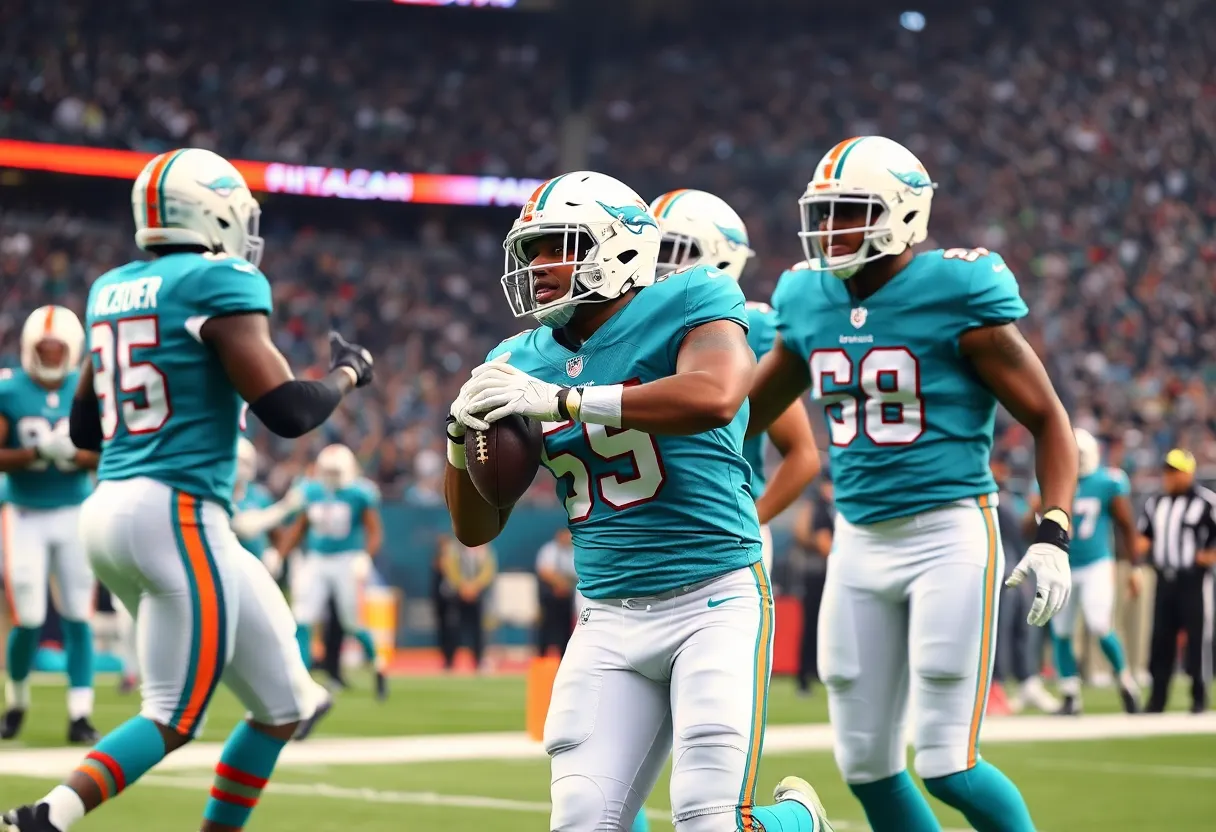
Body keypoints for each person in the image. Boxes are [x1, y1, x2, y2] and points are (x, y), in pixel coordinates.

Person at [0, 147, 374, 832]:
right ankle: (46, 818)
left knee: (283, 708)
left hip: (112, 506)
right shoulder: (218, 280)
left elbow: (86, 426)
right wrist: (349, 375)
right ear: (212, 212)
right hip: (176, 511)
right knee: (173, 715)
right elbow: (289, 411)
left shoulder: (111, 288)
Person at [446, 171, 833, 832]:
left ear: (618, 247)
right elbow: (477, 528)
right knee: (580, 821)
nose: (537, 266)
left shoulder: (691, 297)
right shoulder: (516, 358)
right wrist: (461, 439)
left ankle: (798, 821)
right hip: (607, 615)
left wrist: (567, 402)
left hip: (713, 597)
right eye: (530, 251)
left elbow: (716, 396)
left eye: (556, 246)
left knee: (708, 819)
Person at [747, 136, 1076, 832]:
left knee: (947, 762)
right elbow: (747, 413)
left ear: (901, 213)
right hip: (860, 541)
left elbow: (1048, 418)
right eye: (825, 212)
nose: (830, 230)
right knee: (865, 764)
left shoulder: (956, 290)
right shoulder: (806, 297)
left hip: (949, 532)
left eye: (850, 212)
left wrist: (1054, 531)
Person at [650, 189, 820, 573]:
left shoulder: (751, 328)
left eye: (671, 248)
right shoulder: (622, 325)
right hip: (631, 532)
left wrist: (752, 522)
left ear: (719, 257)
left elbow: (803, 454)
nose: (654, 263)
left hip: (722, 534)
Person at [0, 308, 100, 745]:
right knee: (30, 616)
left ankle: (80, 713)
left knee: (79, 614)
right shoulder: (10, 390)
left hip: (75, 511)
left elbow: (106, 452)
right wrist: (38, 455)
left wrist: (74, 456)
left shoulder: (89, 386)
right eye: (45, 350)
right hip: (24, 512)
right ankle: (17, 700)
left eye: (58, 349)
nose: (52, 356)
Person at [1024, 429, 1140, 714]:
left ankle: (1125, 680)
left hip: (1096, 564)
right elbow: (1027, 529)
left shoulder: (1106, 481)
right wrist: (1035, 510)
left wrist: (1134, 566)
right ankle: (1070, 695)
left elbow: (1126, 524)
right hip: (1062, 565)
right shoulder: (1050, 481)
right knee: (1061, 631)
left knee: (1099, 623)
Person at [279, 443, 387, 702]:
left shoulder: (359, 493)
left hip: (346, 559)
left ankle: (379, 666)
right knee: (303, 616)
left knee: (352, 621)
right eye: (327, 470)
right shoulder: (312, 490)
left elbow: (375, 531)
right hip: (316, 559)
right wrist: (279, 553)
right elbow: (299, 528)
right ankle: (302, 678)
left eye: (335, 471)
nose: (331, 476)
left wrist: (365, 556)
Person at [1137, 448, 1216, 713]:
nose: (1168, 476)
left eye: (1174, 471)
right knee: (1160, 639)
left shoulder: (1206, 502)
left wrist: (1208, 556)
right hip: (1164, 579)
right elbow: (1144, 537)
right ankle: (1157, 699)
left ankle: (1198, 697)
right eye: (1167, 470)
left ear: (1188, 473)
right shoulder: (1155, 503)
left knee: (1197, 639)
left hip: (1193, 579)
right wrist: (1137, 563)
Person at [990, 459, 1059, 714]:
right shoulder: (996, 503)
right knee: (1001, 631)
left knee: (1024, 630)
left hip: (1018, 573)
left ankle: (1027, 681)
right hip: (1003, 574)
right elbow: (1017, 535)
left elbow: (1025, 535)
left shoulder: (1010, 500)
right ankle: (994, 686)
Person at [439, 539, 497, 670]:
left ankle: (478, 660)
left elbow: (488, 571)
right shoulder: (453, 548)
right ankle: (449, 660)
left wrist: (475, 587)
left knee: (478, 630)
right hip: (456, 594)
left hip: (477, 595)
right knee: (453, 628)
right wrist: (462, 586)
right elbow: (450, 568)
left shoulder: (484, 549)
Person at [535, 528, 578, 657]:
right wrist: (559, 583)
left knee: (566, 628)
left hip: (568, 595)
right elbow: (544, 571)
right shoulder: (549, 550)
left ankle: (564, 654)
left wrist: (565, 585)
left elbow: (575, 573)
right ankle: (542, 655)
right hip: (550, 595)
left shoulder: (574, 552)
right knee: (546, 626)